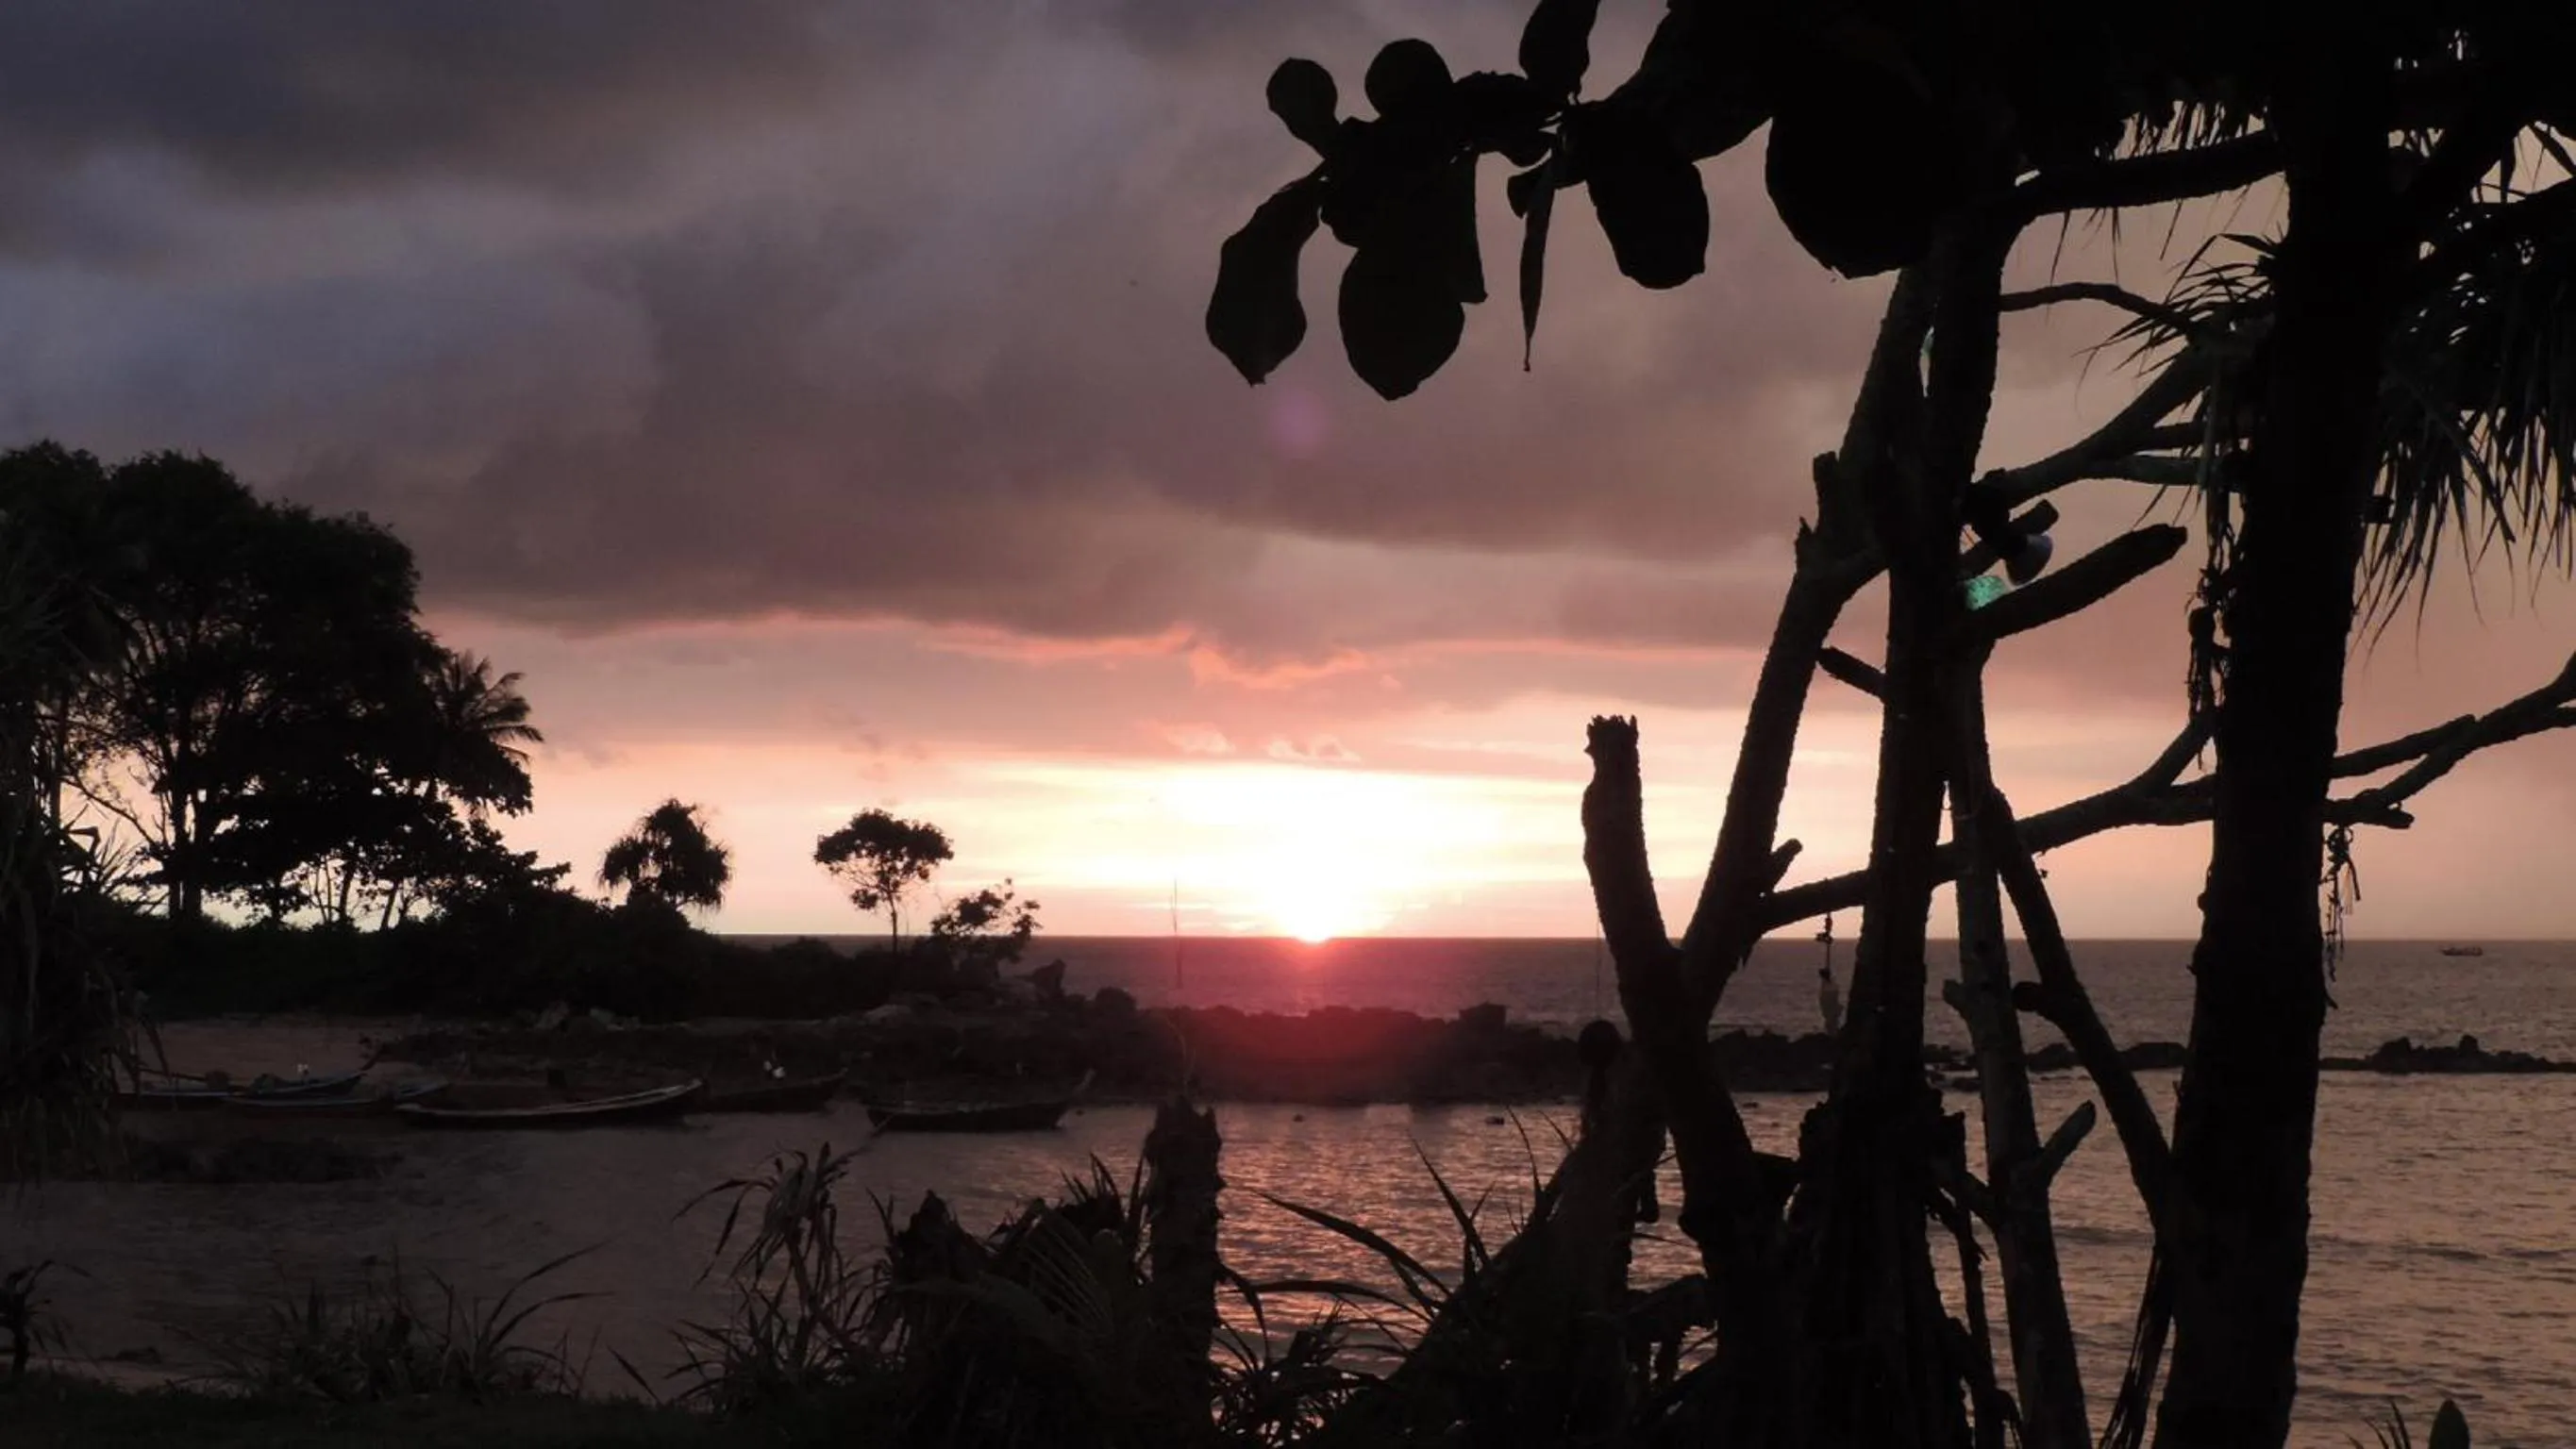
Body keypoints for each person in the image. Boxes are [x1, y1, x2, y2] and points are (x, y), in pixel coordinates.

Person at [1817, 964, 1843, 1037]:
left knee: (1831, 1022)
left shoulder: (1828, 986)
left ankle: (1833, 1034)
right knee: (1832, 1022)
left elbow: (1828, 997)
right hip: (1830, 1006)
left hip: (1830, 1007)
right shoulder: (1828, 985)